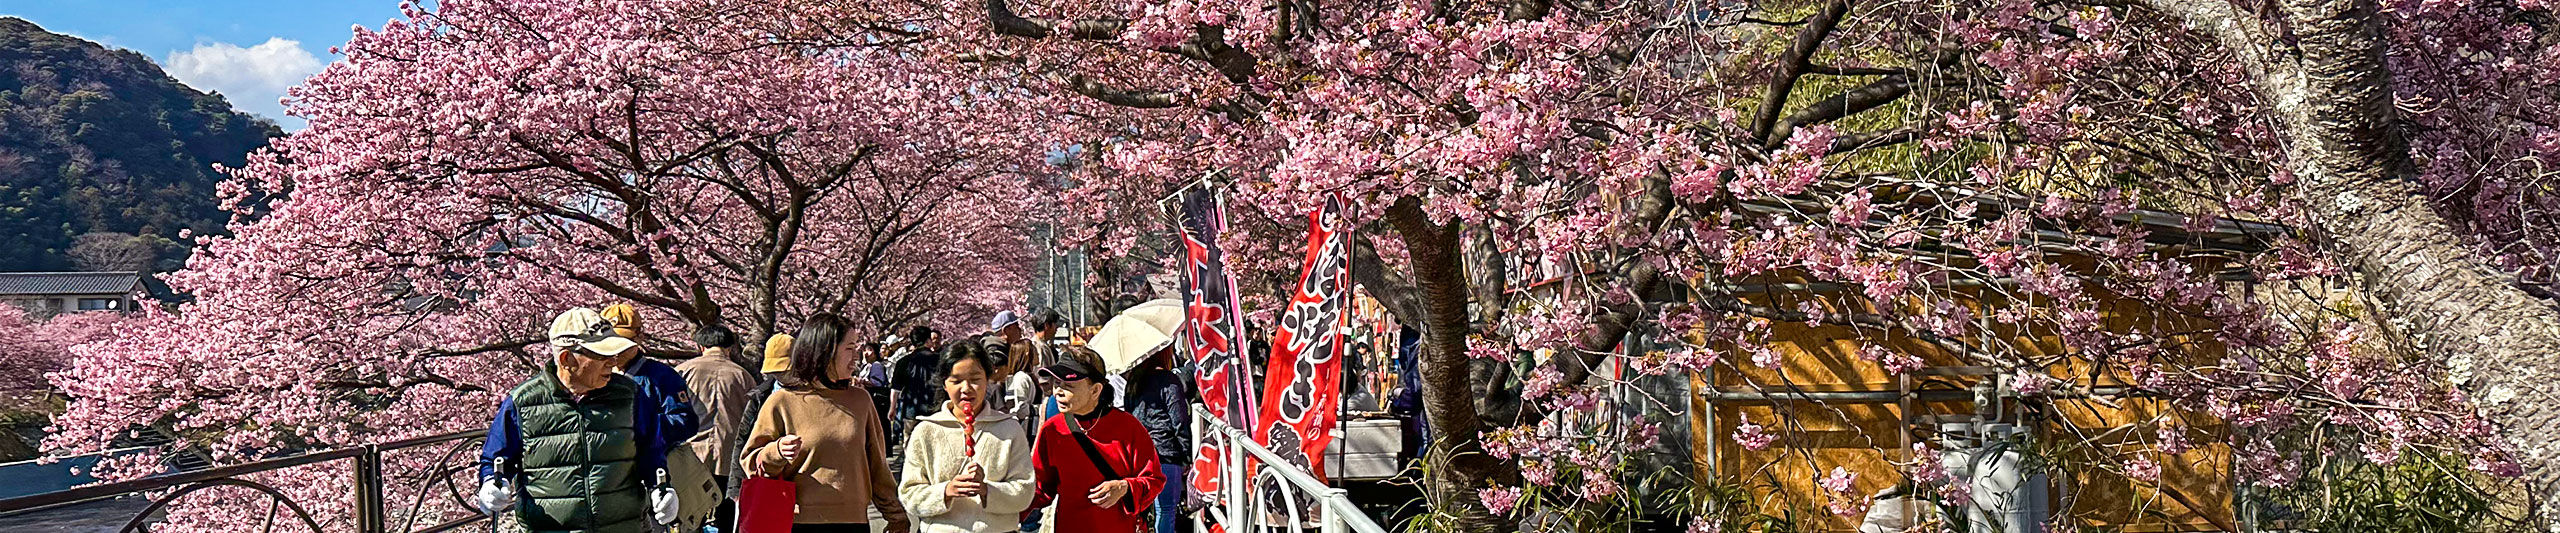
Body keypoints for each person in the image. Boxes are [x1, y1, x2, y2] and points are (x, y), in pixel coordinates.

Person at [475, 308, 679, 533]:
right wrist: (491, 484)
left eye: (613, 353)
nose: (613, 362)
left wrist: (661, 487)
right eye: (602, 355)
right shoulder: (523, 402)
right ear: (566, 359)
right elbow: (496, 459)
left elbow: (651, 451)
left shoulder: (631, 395)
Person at [742, 314, 912, 533]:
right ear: (825, 351)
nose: (856, 357)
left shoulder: (860, 400)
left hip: (854, 522)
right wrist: (776, 451)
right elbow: (750, 463)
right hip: (797, 522)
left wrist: (895, 514)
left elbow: (876, 465)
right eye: (849, 348)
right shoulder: (781, 401)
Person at [898, 341, 1037, 533]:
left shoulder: (1009, 429)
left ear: (988, 379)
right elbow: (908, 494)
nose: (966, 388)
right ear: (945, 384)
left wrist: (987, 489)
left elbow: (1025, 491)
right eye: (956, 381)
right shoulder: (926, 431)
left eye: (975, 379)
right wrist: (946, 491)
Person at [1027, 348, 1163, 533]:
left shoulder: (1128, 427)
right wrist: (997, 504)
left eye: (1069, 385)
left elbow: (1154, 480)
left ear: (1096, 390)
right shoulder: (1053, 430)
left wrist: (1124, 487)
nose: (1058, 391)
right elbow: (1040, 488)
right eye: (1057, 383)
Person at [678, 324, 758, 532]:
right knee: (726, 519)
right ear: (729, 348)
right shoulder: (743, 376)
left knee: (689, 518)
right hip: (729, 458)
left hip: (691, 457)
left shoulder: (683, 371)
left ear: (701, 347)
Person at [1118, 346, 1191, 533]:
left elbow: (1128, 416)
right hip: (1166, 452)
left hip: (1139, 454)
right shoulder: (1169, 381)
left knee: (1140, 511)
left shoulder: (1133, 380)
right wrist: (1186, 455)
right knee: (1166, 510)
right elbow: (1179, 420)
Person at [892, 326, 946, 445]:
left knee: (911, 444)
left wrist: (892, 409)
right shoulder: (940, 360)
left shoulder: (903, 361)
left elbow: (895, 389)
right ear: (928, 340)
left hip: (911, 411)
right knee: (934, 444)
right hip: (935, 409)